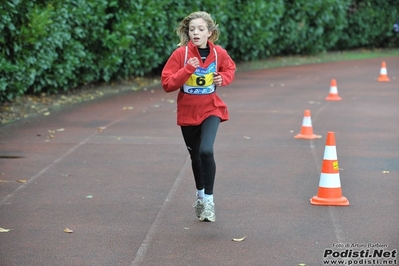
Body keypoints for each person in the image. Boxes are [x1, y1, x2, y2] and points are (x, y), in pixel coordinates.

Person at [161, 11, 236, 222]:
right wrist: (186, 70)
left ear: (210, 33)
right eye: (192, 29)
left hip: (211, 108)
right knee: (195, 158)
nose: (196, 33)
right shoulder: (181, 55)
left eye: (201, 29)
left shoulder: (219, 53)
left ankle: (209, 202)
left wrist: (223, 78)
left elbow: (229, 68)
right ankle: (200, 196)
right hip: (188, 112)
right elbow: (167, 84)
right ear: (187, 32)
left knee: (206, 150)